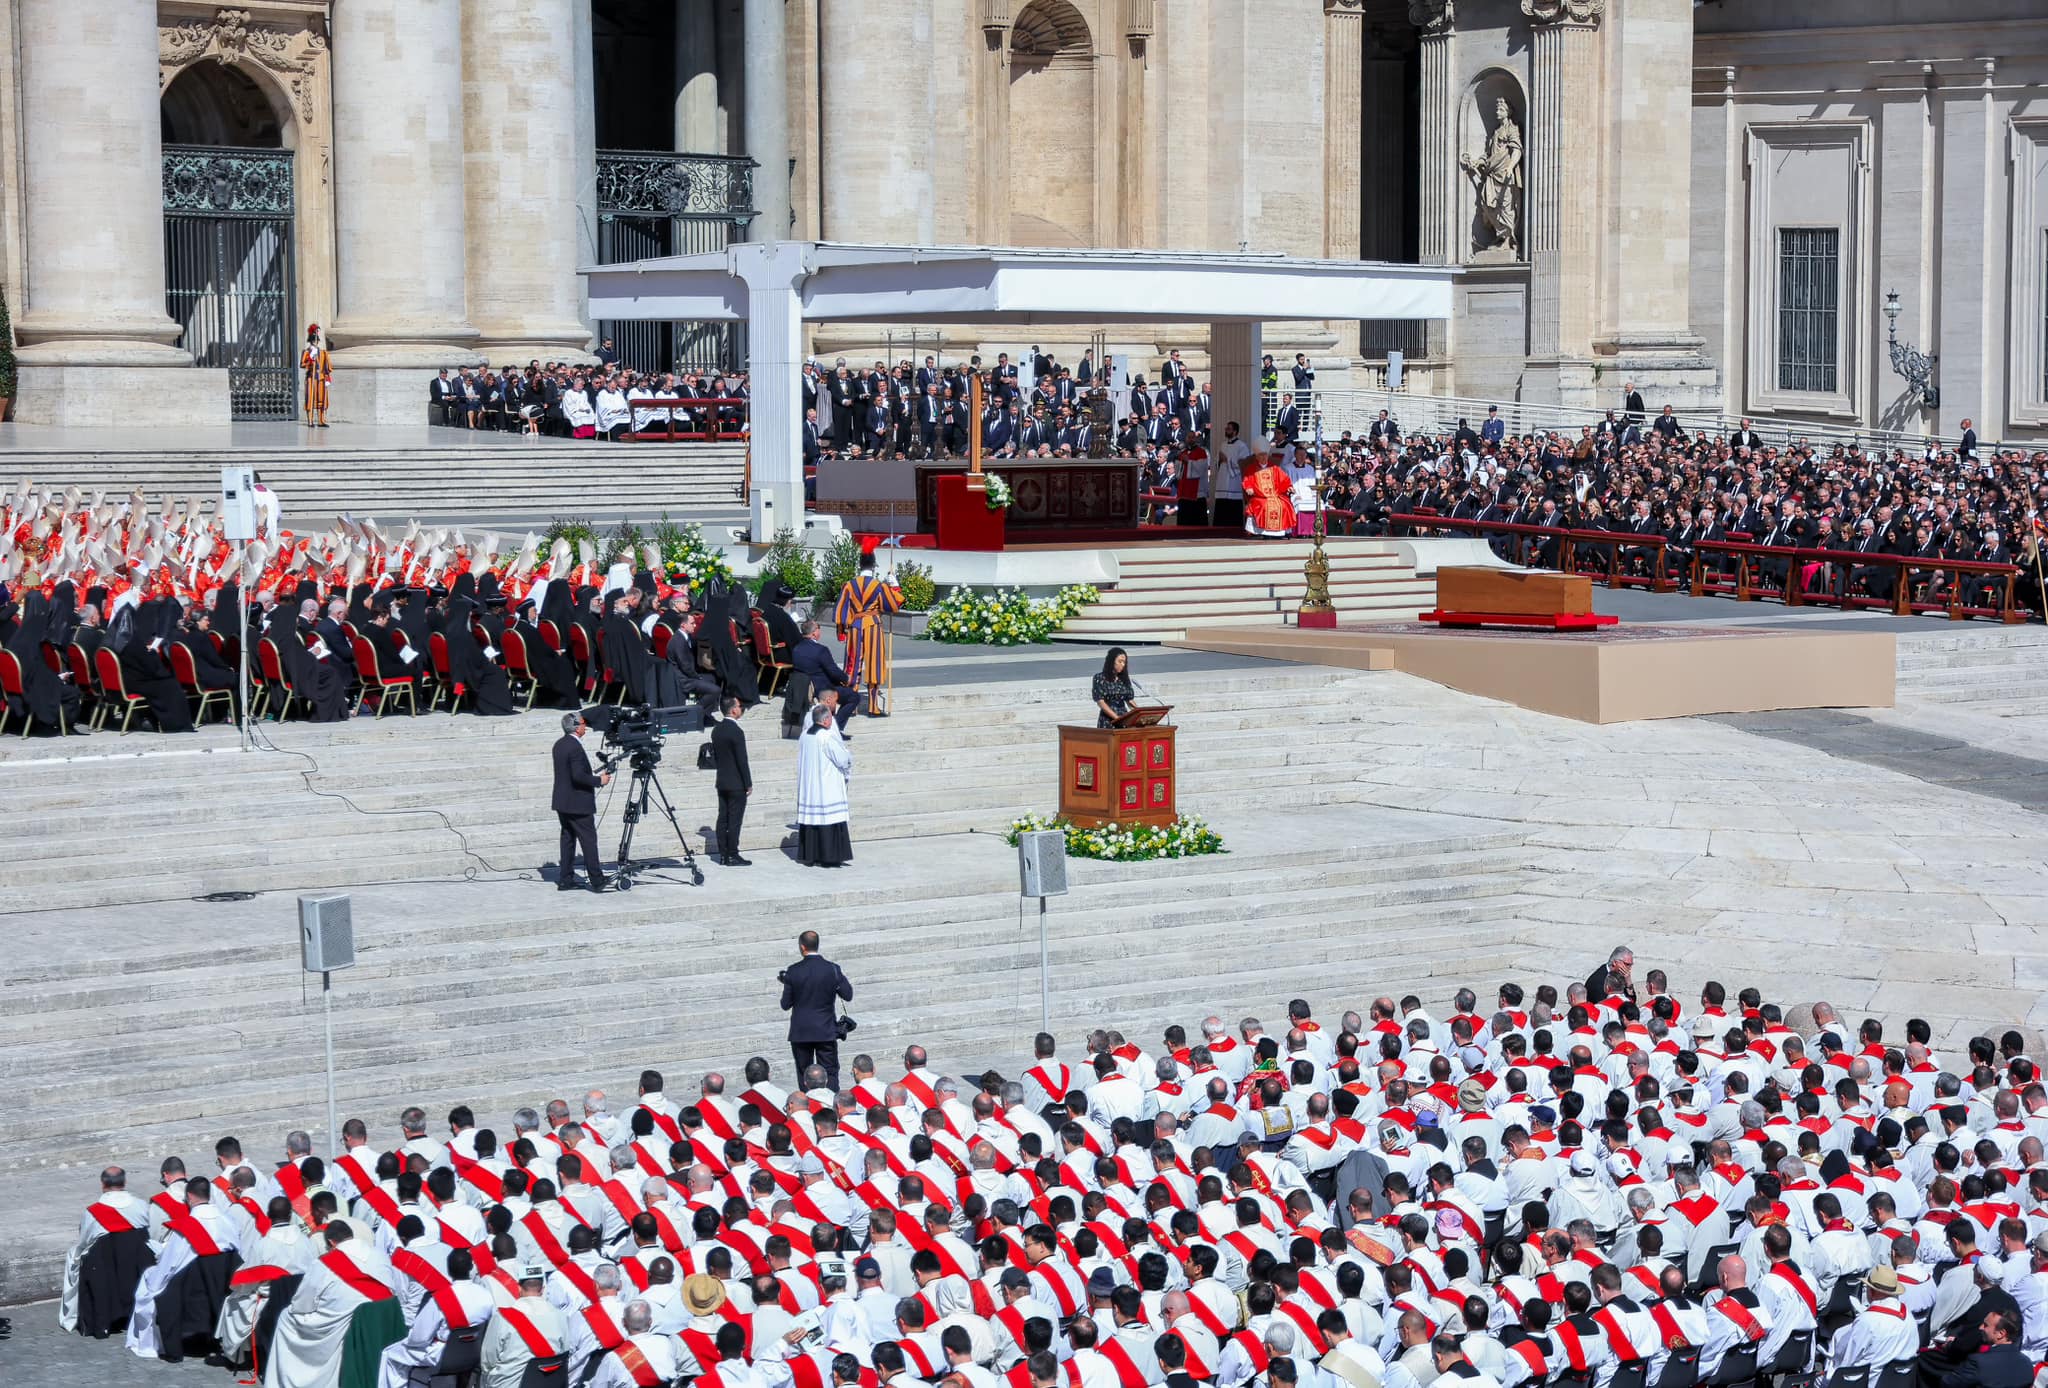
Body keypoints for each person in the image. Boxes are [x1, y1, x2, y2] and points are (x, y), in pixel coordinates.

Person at [779, 929, 853, 1091]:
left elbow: (785, 1004)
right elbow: (848, 995)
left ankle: (808, 1106)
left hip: (801, 1031)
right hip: (825, 1030)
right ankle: (831, 1107)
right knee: (830, 1072)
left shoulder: (793, 971)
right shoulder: (832, 969)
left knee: (804, 1073)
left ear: (802, 947)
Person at [832, 550, 903, 718]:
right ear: (873, 566)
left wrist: (841, 632)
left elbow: (841, 610)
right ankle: (873, 707)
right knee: (874, 665)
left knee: (853, 665)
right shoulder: (878, 585)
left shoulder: (849, 585)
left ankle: (851, 706)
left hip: (855, 626)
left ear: (860, 565)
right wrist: (895, 586)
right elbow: (893, 605)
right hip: (873, 626)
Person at [553, 711, 610, 892]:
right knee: (588, 840)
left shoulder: (560, 744)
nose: (586, 726)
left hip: (563, 801)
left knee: (568, 839)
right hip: (578, 803)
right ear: (577, 727)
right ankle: (597, 879)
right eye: (584, 723)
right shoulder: (575, 747)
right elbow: (577, 776)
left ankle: (565, 879)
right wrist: (598, 780)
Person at [795, 704, 854, 867]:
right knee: (828, 819)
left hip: (810, 786)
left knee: (813, 820)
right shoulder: (826, 737)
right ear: (826, 720)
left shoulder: (805, 735)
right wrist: (849, 758)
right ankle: (829, 857)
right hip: (826, 786)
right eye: (830, 718)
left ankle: (811, 855)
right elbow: (842, 758)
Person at [792, 619, 862, 731]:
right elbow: (833, 671)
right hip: (822, 688)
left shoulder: (796, 649)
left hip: (803, 687)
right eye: (819, 628)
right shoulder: (821, 650)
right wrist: (846, 679)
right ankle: (836, 728)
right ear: (814, 633)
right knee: (854, 697)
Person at [710, 694, 752, 867]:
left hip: (722, 781)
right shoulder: (736, 731)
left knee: (723, 818)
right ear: (733, 710)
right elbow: (742, 760)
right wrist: (748, 782)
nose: (741, 709)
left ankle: (723, 854)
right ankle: (732, 854)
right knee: (734, 820)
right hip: (736, 783)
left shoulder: (717, 729)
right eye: (739, 706)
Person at [1093, 648, 1135, 728]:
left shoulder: (1124, 679)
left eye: (1124, 662)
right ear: (1111, 662)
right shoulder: (1099, 678)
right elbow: (1101, 702)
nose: (1123, 664)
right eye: (1120, 661)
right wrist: (1117, 718)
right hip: (1108, 719)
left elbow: (1129, 700)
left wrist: (1140, 714)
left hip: (1124, 718)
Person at [301, 324, 331, 428]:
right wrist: (310, 360)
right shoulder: (307, 352)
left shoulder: (323, 353)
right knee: (310, 399)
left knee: (321, 400)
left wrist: (328, 378)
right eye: (313, 341)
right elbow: (302, 364)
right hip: (311, 379)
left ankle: (321, 420)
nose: (315, 342)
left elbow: (327, 367)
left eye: (316, 340)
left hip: (321, 379)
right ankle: (310, 421)